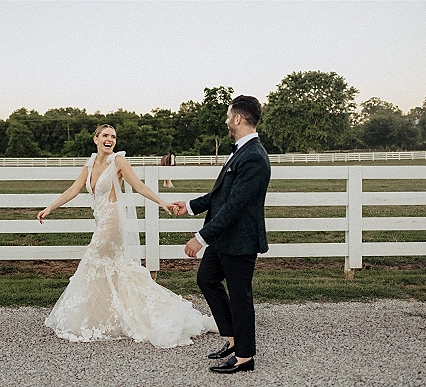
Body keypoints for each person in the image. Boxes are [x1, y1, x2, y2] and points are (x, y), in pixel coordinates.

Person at [38, 124, 217, 348]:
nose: (109, 139)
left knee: (93, 262)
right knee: (115, 269)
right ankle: (109, 316)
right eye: (105, 135)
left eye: (113, 136)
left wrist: (163, 203)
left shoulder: (118, 161)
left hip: (113, 221)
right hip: (100, 219)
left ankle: (94, 317)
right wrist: (50, 208)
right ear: (96, 139)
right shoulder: (90, 163)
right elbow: (73, 189)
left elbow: (139, 186)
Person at [173, 95, 270, 373]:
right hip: (224, 238)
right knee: (206, 279)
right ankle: (231, 339)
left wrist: (201, 237)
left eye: (229, 116)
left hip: (239, 240)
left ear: (238, 118)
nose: (227, 121)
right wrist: (191, 205)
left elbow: (234, 208)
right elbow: (221, 195)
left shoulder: (254, 157)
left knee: (240, 296)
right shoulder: (241, 151)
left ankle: (245, 357)